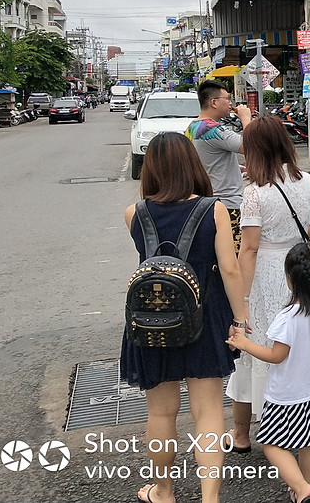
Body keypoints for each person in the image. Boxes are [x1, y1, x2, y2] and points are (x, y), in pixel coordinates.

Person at [120, 132, 250, 503]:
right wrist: (240, 319)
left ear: (152, 169)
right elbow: (229, 270)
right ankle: (210, 499)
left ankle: (164, 491)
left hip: (150, 322)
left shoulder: (135, 212)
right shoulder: (214, 209)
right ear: (192, 163)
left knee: (161, 414)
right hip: (203, 320)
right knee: (208, 413)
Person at [225, 116, 310, 461]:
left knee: (261, 347)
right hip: (302, 266)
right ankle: (242, 432)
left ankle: (280, 432)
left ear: (255, 151)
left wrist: (240, 298)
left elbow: (250, 248)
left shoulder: (255, 194)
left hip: (270, 273)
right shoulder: (308, 181)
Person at [227, 242, 310, 503]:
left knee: (270, 442)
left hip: (288, 394)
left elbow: (276, 356)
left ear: (290, 280)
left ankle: (301, 488)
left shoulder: (288, 317)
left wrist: (244, 344)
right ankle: (303, 487)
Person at [186, 79, 253, 253]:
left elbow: (204, 160)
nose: (231, 103)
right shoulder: (212, 128)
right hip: (227, 204)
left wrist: (232, 167)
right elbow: (251, 147)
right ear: (214, 102)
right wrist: (246, 119)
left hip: (204, 201)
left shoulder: (192, 127)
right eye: (227, 98)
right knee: (235, 257)